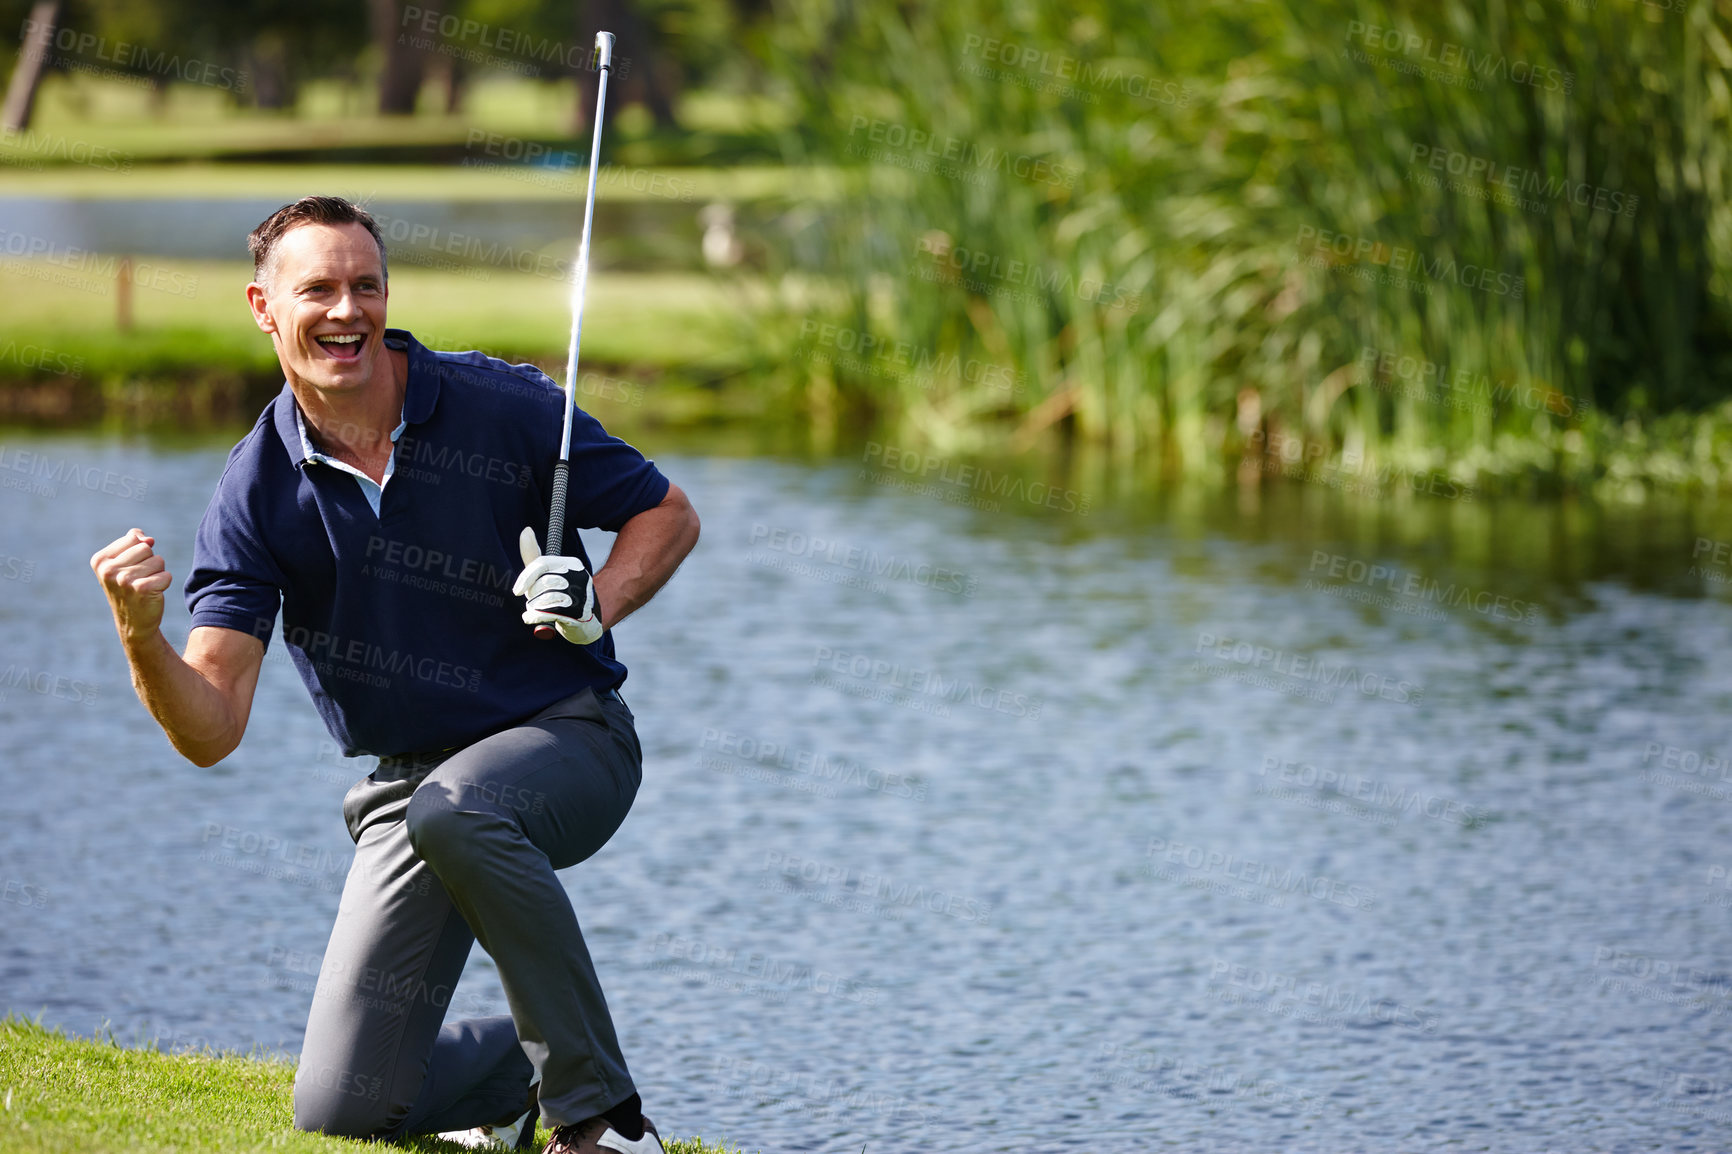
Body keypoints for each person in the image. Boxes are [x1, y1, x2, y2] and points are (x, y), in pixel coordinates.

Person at [88, 196, 698, 1154]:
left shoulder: (500, 405)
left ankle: (599, 1117)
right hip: (410, 788)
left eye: (364, 285)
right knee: (342, 1109)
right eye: (317, 289)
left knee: (463, 808)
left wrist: (595, 607)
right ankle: (513, 1076)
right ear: (262, 305)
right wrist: (140, 634)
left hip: (569, 735)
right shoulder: (255, 492)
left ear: (387, 294)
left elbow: (667, 514)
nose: (346, 311)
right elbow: (210, 727)